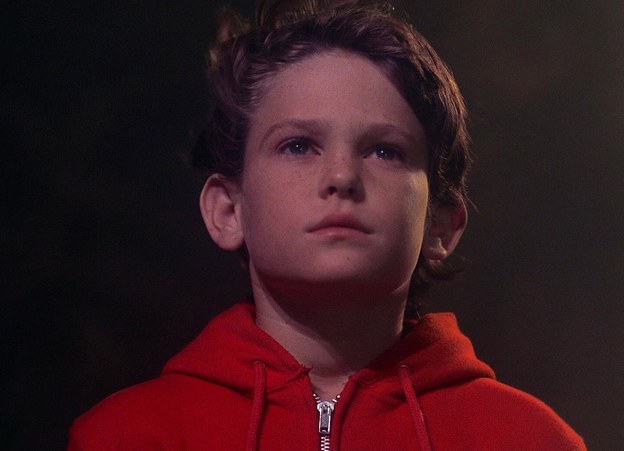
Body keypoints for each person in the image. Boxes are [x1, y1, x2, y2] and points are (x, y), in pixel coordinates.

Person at [68, 1, 586, 449]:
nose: (341, 176)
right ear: (228, 210)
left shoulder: (531, 440)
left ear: (441, 225)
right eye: (298, 145)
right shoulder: (126, 436)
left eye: (385, 151)